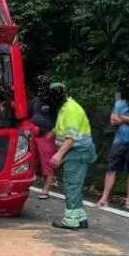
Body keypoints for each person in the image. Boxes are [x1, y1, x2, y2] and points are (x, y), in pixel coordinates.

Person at [48, 82, 97, 230]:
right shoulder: (65, 107)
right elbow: (60, 129)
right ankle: (80, 217)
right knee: (75, 184)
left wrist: (58, 154)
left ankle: (71, 220)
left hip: (77, 151)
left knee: (71, 184)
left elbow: (71, 137)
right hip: (76, 151)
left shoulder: (71, 109)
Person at [97, 77, 129, 209]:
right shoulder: (119, 102)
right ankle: (104, 198)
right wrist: (128, 119)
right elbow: (113, 121)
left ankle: (128, 201)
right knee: (111, 169)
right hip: (119, 140)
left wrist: (122, 117)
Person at [29, 76, 59, 200]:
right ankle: (30, 183)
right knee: (31, 160)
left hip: (47, 135)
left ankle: (46, 189)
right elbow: (29, 115)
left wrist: (52, 132)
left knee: (48, 162)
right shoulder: (35, 100)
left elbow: (59, 119)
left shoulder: (53, 101)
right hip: (34, 134)